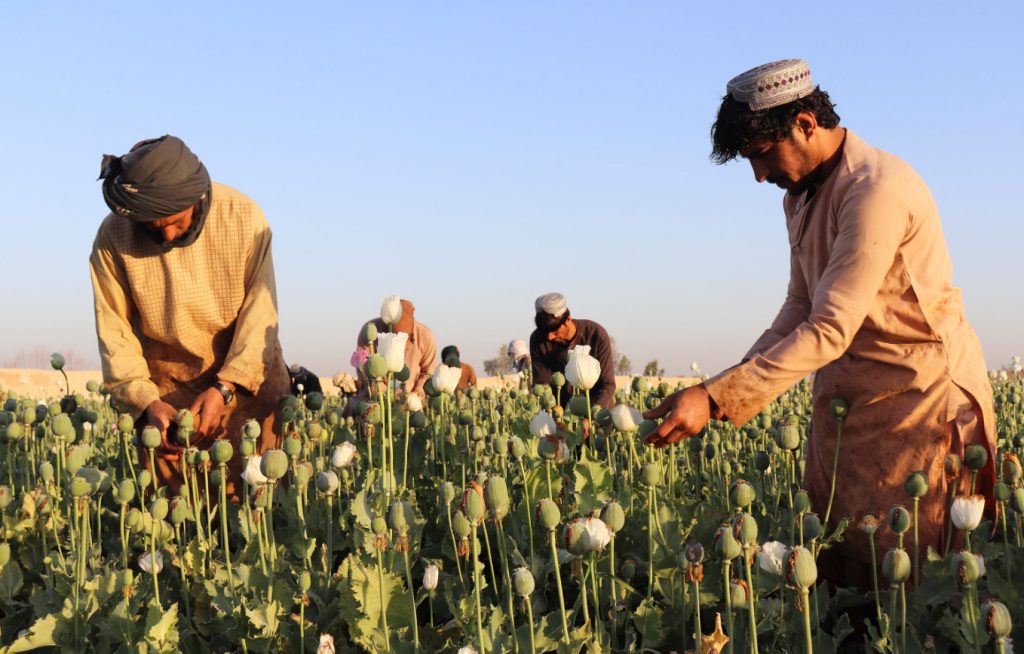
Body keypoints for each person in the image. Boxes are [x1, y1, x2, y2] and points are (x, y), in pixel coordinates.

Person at [642, 59, 996, 588]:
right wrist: (715, 388)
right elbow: (800, 305)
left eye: (762, 155)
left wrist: (716, 399)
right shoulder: (801, 196)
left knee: (912, 581)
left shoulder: (874, 191)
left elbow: (829, 327)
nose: (759, 175)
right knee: (843, 565)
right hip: (849, 405)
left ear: (806, 124)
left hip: (917, 404)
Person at [90, 135, 290, 499]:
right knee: (180, 520)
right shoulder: (114, 236)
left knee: (260, 506)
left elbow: (261, 315)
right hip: (167, 395)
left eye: (176, 222)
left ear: (196, 198)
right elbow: (114, 332)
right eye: (152, 226)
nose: (165, 234)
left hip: (246, 381)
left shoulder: (243, 217)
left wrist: (224, 388)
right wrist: (147, 403)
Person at [530, 293, 615, 409]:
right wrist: (552, 410)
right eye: (545, 331)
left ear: (568, 320)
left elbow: (607, 385)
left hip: (597, 412)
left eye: (554, 330)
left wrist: (592, 415)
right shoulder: (538, 339)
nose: (549, 337)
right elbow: (542, 384)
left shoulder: (596, 335)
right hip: (560, 414)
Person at [354, 298, 436, 397]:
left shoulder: (425, 335)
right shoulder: (370, 331)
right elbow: (362, 365)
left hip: (410, 398)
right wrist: (382, 390)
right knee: (354, 406)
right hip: (376, 395)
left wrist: (418, 390)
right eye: (394, 334)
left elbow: (428, 372)